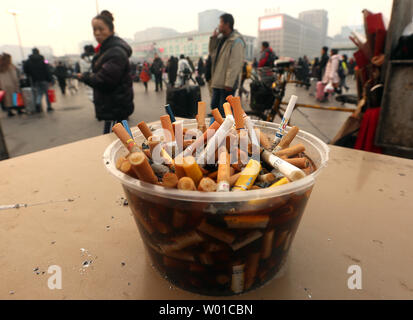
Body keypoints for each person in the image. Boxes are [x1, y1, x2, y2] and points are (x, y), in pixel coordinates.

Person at [77, 10, 134, 134]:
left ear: (111, 30)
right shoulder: (106, 50)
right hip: (113, 107)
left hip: (115, 108)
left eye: (101, 29)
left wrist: (85, 77)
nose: (97, 33)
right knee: (122, 144)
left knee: (114, 144)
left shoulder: (115, 52)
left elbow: (105, 80)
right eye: (94, 29)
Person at [209, 13, 246, 115]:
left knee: (224, 111)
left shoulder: (236, 40)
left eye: (221, 22)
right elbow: (212, 53)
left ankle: (227, 131)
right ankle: (216, 130)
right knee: (215, 108)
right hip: (218, 80)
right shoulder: (222, 39)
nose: (219, 25)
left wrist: (229, 83)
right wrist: (214, 39)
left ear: (227, 24)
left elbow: (235, 63)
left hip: (226, 84)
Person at [24, 48, 53, 112]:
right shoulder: (44, 60)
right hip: (44, 79)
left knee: (39, 93)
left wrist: (30, 75)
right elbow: (48, 69)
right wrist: (50, 79)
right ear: (38, 52)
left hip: (34, 80)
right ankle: (49, 107)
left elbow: (25, 70)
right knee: (47, 93)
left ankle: (38, 103)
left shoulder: (28, 61)